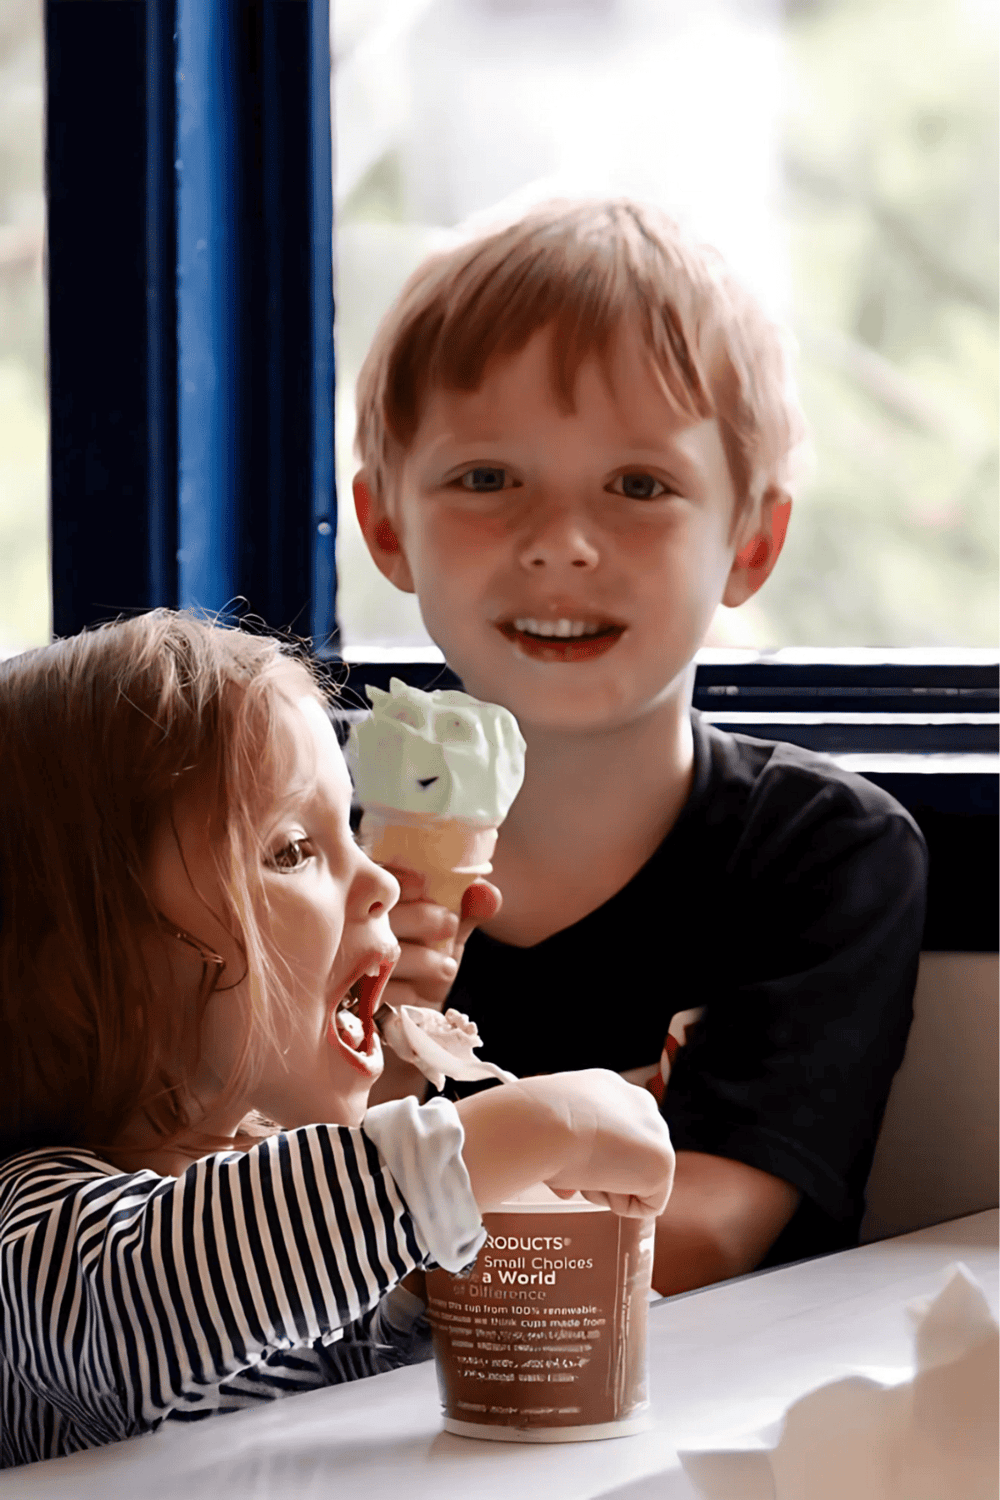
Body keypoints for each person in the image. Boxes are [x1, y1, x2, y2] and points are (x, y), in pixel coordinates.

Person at [350, 198, 928, 1297]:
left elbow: (701, 1235)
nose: (560, 544)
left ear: (749, 543)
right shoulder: (292, 843)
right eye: (486, 479)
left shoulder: (822, 856)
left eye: (638, 487)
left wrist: (337, 1231)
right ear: (386, 529)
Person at [0, 610, 674, 1468]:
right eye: (291, 850)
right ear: (87, 982)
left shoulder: (294, 1214)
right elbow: (157, 1303)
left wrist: (439, 1287)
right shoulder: (37, 1239)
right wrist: (523, 1131)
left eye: (349, 830)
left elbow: (343, 1372)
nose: (382, 882)